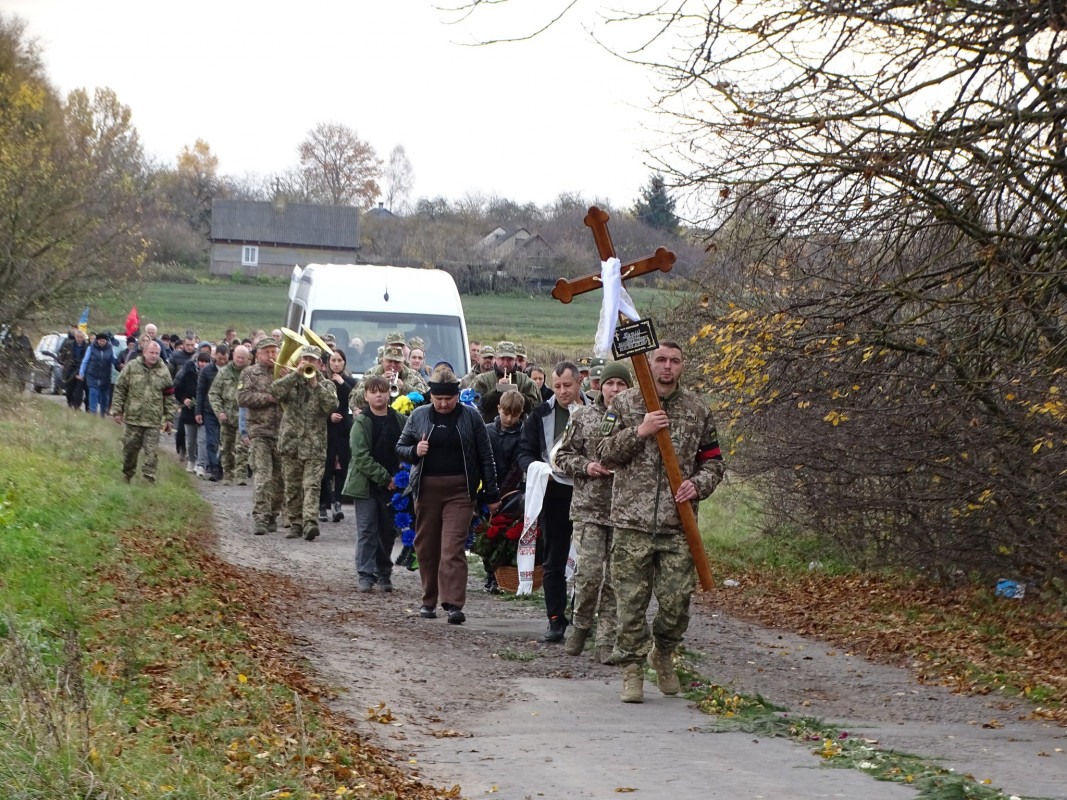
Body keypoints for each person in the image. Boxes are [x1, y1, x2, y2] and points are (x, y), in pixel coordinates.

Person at [596, 342, 725, 704]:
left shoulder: (698, 410)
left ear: (682, 366)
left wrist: (697, 485)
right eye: (661, 360)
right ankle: (632, 669)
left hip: (677, 524)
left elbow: (714, 462)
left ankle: (663, 652)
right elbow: (603, 453)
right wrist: (640, 430)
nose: (667, 366)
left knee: (676, 603)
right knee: (630, 604)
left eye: (674, 361)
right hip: (631, 522)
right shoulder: (624, 404)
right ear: (649, 363)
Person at [396, 363, 500, 625]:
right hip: (426, 491)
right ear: (431, 396)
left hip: (460, 491)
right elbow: (400, 447)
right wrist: (414, 451)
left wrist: (491, 492)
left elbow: (485, 456)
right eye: (438, 398)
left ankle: (453, 603)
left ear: (457, 396)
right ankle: (428, 600)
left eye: (448, 399)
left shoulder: (471, 417)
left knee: (452, 546)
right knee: (426, 546)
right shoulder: (418, 416)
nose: (443, 404)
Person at [552, 360, 633, 664]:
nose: (615, 389)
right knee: (588, 575)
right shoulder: (583, 417)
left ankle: (606, 638)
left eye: (621, 384)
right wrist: (585, 466)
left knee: (615, 580)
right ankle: (581, 624)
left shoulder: (637, 421)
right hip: (589, 509)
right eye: (610, 383)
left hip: (625, 512)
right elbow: (562, 455)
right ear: (600, 387)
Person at [517, 361, 588, 642]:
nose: (562, 392)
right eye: (557, 386)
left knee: (590, 558)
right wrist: (537, 469)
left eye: (567, 385)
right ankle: (556, 618)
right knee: (554, 557)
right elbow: (525, 452)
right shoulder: (540, 414)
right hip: (553, 492)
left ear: (579, 382)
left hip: (588, 492)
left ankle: (584, 618)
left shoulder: (595, 411)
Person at [344, 375, 407, 592]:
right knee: (367, 530)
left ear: (389, 394)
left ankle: (384, 573)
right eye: (374, 391)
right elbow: (360, 456)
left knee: (388, 531)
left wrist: (400, 474)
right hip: (366, 486)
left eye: (382, 391)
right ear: (366, 396)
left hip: (393, 486)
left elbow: (407, 447)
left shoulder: (400, 420)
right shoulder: (361, 422)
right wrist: (385, 478)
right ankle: (365, 574)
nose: (379, 395)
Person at [271, 345, 337, 541]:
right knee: (292, 487)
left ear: (320, 364)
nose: (308, 362)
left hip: (314, 445)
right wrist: (295, 375)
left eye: (312, 360)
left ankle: (310, 523)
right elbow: (275, 392)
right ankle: (296, 523)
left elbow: (332, 405)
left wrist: (315, 384)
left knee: (311, 485)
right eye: (305, 359)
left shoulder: (327, 385)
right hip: (290, 443)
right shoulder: (291, 381)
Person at [238, 337, 284, 535]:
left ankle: (273, 515)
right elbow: (242, 398)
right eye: (267, 352)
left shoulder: (283, 372)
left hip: (281, 432)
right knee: (263, 477)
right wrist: (268, 398)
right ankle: (260, 518)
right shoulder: (249, 373)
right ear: (259, 354)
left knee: (279, 479)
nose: (272, 355)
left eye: (274, 352)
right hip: (259, 431)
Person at [482, 389, 526, 593]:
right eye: (505, 413)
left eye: (514, 415)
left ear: (520, 413)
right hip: (486, 489)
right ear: (498, 409)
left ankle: (502, 576)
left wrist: (500, 495)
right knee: (486, 532)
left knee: (504, 533)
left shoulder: (524, 435)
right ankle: (489, 574)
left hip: (511, 493)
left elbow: (517, 468)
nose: (509, 419)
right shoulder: (487, 431)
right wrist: (489, 491)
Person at [111, 341, 174, 483]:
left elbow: (169, 395)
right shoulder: (132, 367)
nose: (154, 356)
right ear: (144, 352)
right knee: (130, 450)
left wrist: (169, 417)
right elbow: (120, 388)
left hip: (153, 420)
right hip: (133, 418)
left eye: (157, 353)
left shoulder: (163, 371)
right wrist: (117, 411)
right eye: (151, 353)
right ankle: (127, 475)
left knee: (151, 452)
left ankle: (148, 479)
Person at [320, 348, 356, 522]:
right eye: (333, 360)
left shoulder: (349, 380)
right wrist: (329, 416)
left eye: (339, 360)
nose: (336, 364)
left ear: (344, 363)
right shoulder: (322, 380)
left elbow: (354, 397)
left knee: (341, 467)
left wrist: (342, 383)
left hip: (343, 428)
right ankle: (323, 505)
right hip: (326, 427)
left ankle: (338, 503)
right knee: (325, 468)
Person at [469, 341, 543, 423]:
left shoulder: (526, 380)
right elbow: (477, 406)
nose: (506, 363)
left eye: (509, 359)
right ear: (496, 358)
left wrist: (517, 395)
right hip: (489, 428)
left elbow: (535, 407)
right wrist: (497, 390)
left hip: (519, 429)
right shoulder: (482, 380)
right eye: (502, 359)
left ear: (515, 359)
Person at [209, 343, 250, 485]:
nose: (240, 360)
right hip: (227, 416)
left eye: (243, 358)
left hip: (244, 418)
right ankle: (228, 474)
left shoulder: (251, 373)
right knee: (226, 447)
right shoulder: (224, 372)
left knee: (242, 447)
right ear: (233, 356)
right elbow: (214, 393)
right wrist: (219, 411)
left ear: (247, 358)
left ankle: (241, 475)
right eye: (238, 357)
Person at [349, 344, 427, 411]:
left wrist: (405, 388)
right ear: (382, 361)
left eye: (397, 362)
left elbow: (425, 399)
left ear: (403, 362)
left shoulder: (413, 375)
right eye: (390, 361)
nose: (393, 365)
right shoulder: (371, 373)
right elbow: (354, 399)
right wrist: (377, 384)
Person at [196, 342, 228, 481]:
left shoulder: (231, 370)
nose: (222, 361)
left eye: (225, 359)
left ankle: (221, 465)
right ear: (215, 356)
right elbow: (201, 392)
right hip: (209, 411)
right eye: (220, 358)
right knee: (211, 441)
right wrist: (198, 412)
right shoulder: (206, 371)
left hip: (227, 411)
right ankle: (213, 467)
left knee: (225, 441)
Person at [173, 351, 207, 473]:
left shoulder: (212, 373)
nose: (203, 364)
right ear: (197, 361)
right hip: (189, 410)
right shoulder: (187, 372)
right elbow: (177, 389)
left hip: (205, 410)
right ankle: (191, 460)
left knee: (202, 439)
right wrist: (184, 399)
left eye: (206, 362)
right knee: (191, 439)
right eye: (201, 361)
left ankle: (201, 463)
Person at [79, 331, 117, 417]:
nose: (101, 342)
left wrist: (119, 365)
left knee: (104, 396)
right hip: (92, 374)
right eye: (100, 341)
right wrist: (81, 373)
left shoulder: (110, 348)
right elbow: (85, 361)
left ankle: (103, 412)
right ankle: (93, 413)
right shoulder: (91, 348)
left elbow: (114, 360)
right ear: (97, 340)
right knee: (93, 392)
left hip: (105, 375)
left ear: (106, 341)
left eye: (103, 341)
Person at [59, 328, 89, 410]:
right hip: (70, 369)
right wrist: (62, 363)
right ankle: (70, 402)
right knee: (69, 389)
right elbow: (62, 355)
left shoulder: (87, 346)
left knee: (79, 390)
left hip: (80, 369)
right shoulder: (68, 344)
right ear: (75, 337)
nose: (79, 339)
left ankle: (77, 406)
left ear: (83, 337)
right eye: (78, 337)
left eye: (81, 337)